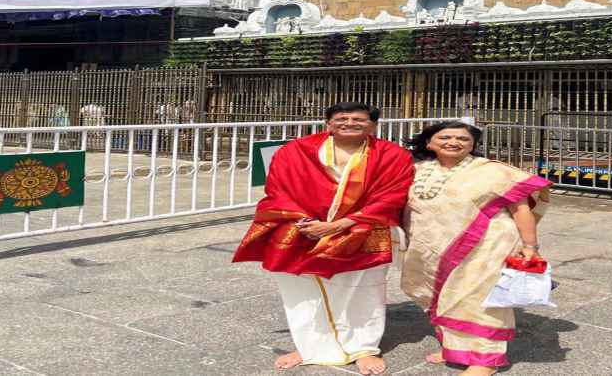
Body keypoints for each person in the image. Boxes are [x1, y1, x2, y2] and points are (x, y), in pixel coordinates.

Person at [233, 103, 414, 374]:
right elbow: (277, 190)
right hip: (304, 227)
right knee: (302, 290)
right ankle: (309, 345)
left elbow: (393, 196)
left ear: (373, 126)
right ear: (328, 123)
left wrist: (340, 224)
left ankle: (363, 348)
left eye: (359, 119)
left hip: (364, 228)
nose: (350, 123)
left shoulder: (392, 155)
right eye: (342, 118)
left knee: (364, 290)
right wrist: (309, 223)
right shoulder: (295, 151)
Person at [401, 120, 551, 375]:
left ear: (473, 145)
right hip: (431, 246)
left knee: (477, 299)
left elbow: (521, 207)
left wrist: (530, 245)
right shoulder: (417, 169)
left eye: (463, 139)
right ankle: (454, 348)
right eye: (445, 137)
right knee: (445, 297)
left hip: (486, 245)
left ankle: (485, 360)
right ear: (429, 142)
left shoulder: (492, 171)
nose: (454, 142)